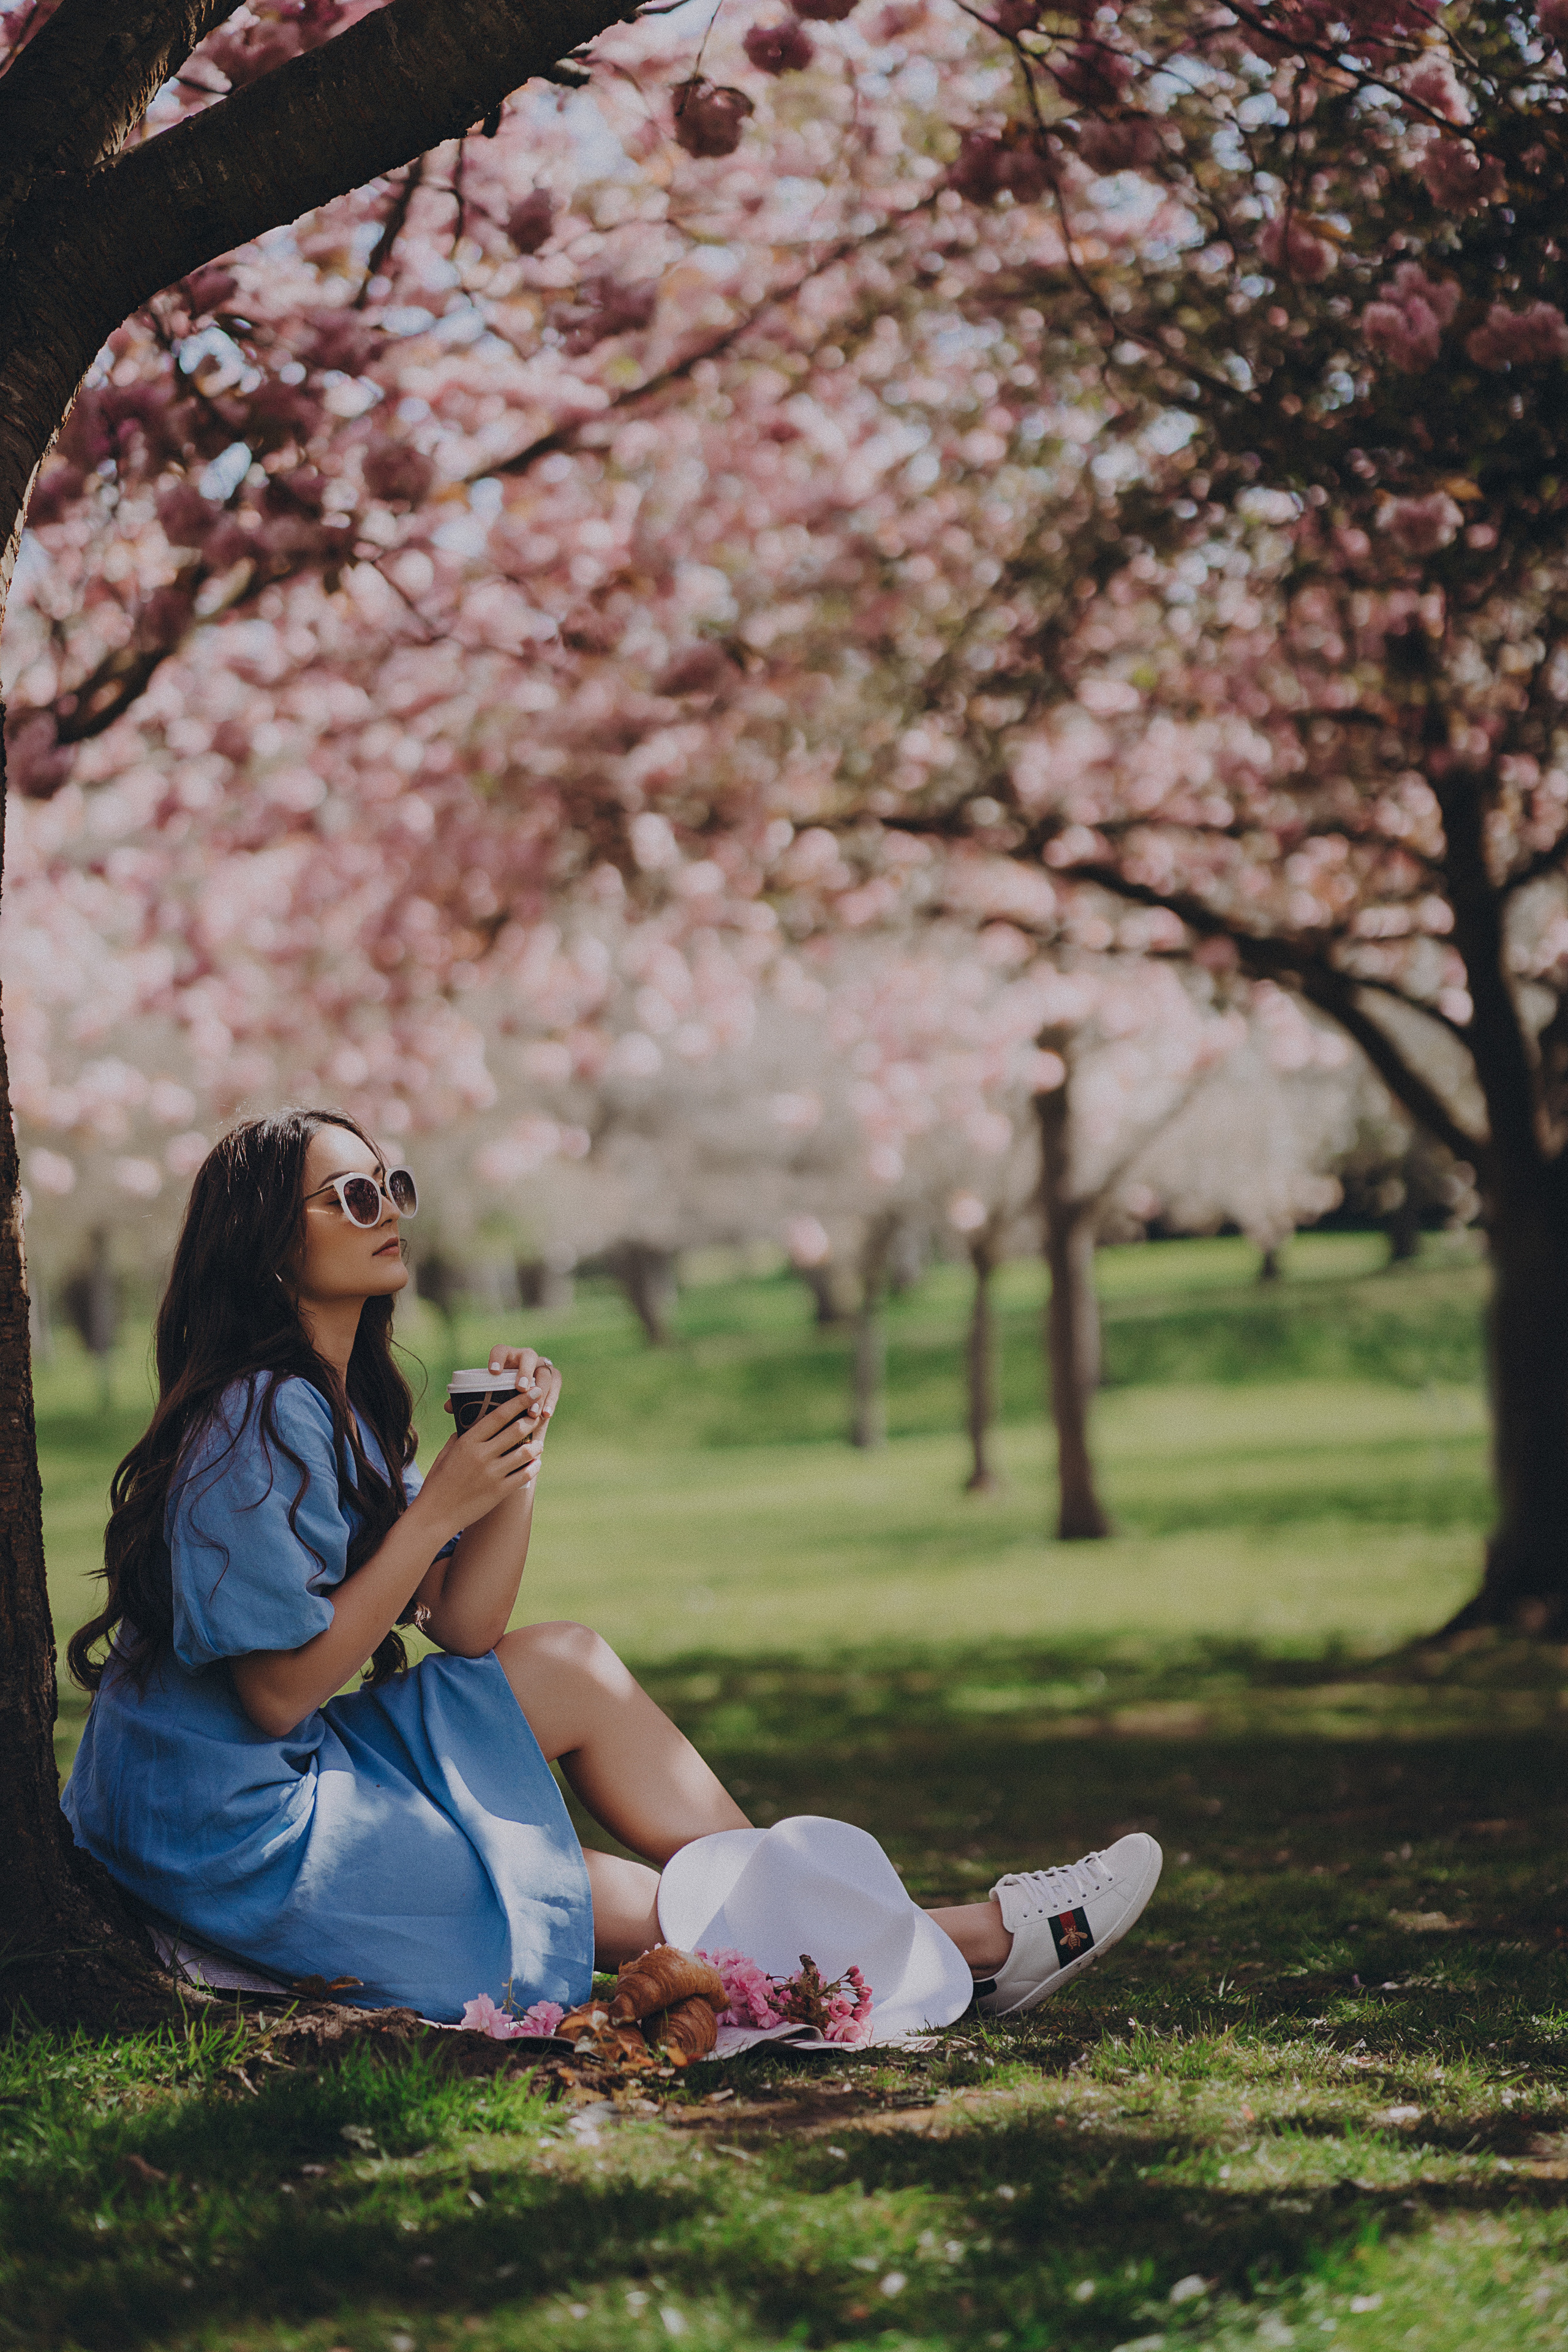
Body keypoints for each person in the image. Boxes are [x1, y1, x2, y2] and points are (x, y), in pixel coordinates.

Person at [64, 1109, 1161, 2027]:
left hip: (290, 1766)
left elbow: (466, 1628)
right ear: (267, 1241)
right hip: (222, 1821)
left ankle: (901, 1947)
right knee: (577, 1893)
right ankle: (966, 1944)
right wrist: (435, 1507)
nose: (390, 1208)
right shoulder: (255, 1412)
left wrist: (514, 1466)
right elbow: (275, 1691)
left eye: (391, 1182)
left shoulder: (335, 1404)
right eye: (351, 1197)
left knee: (572, 1665)